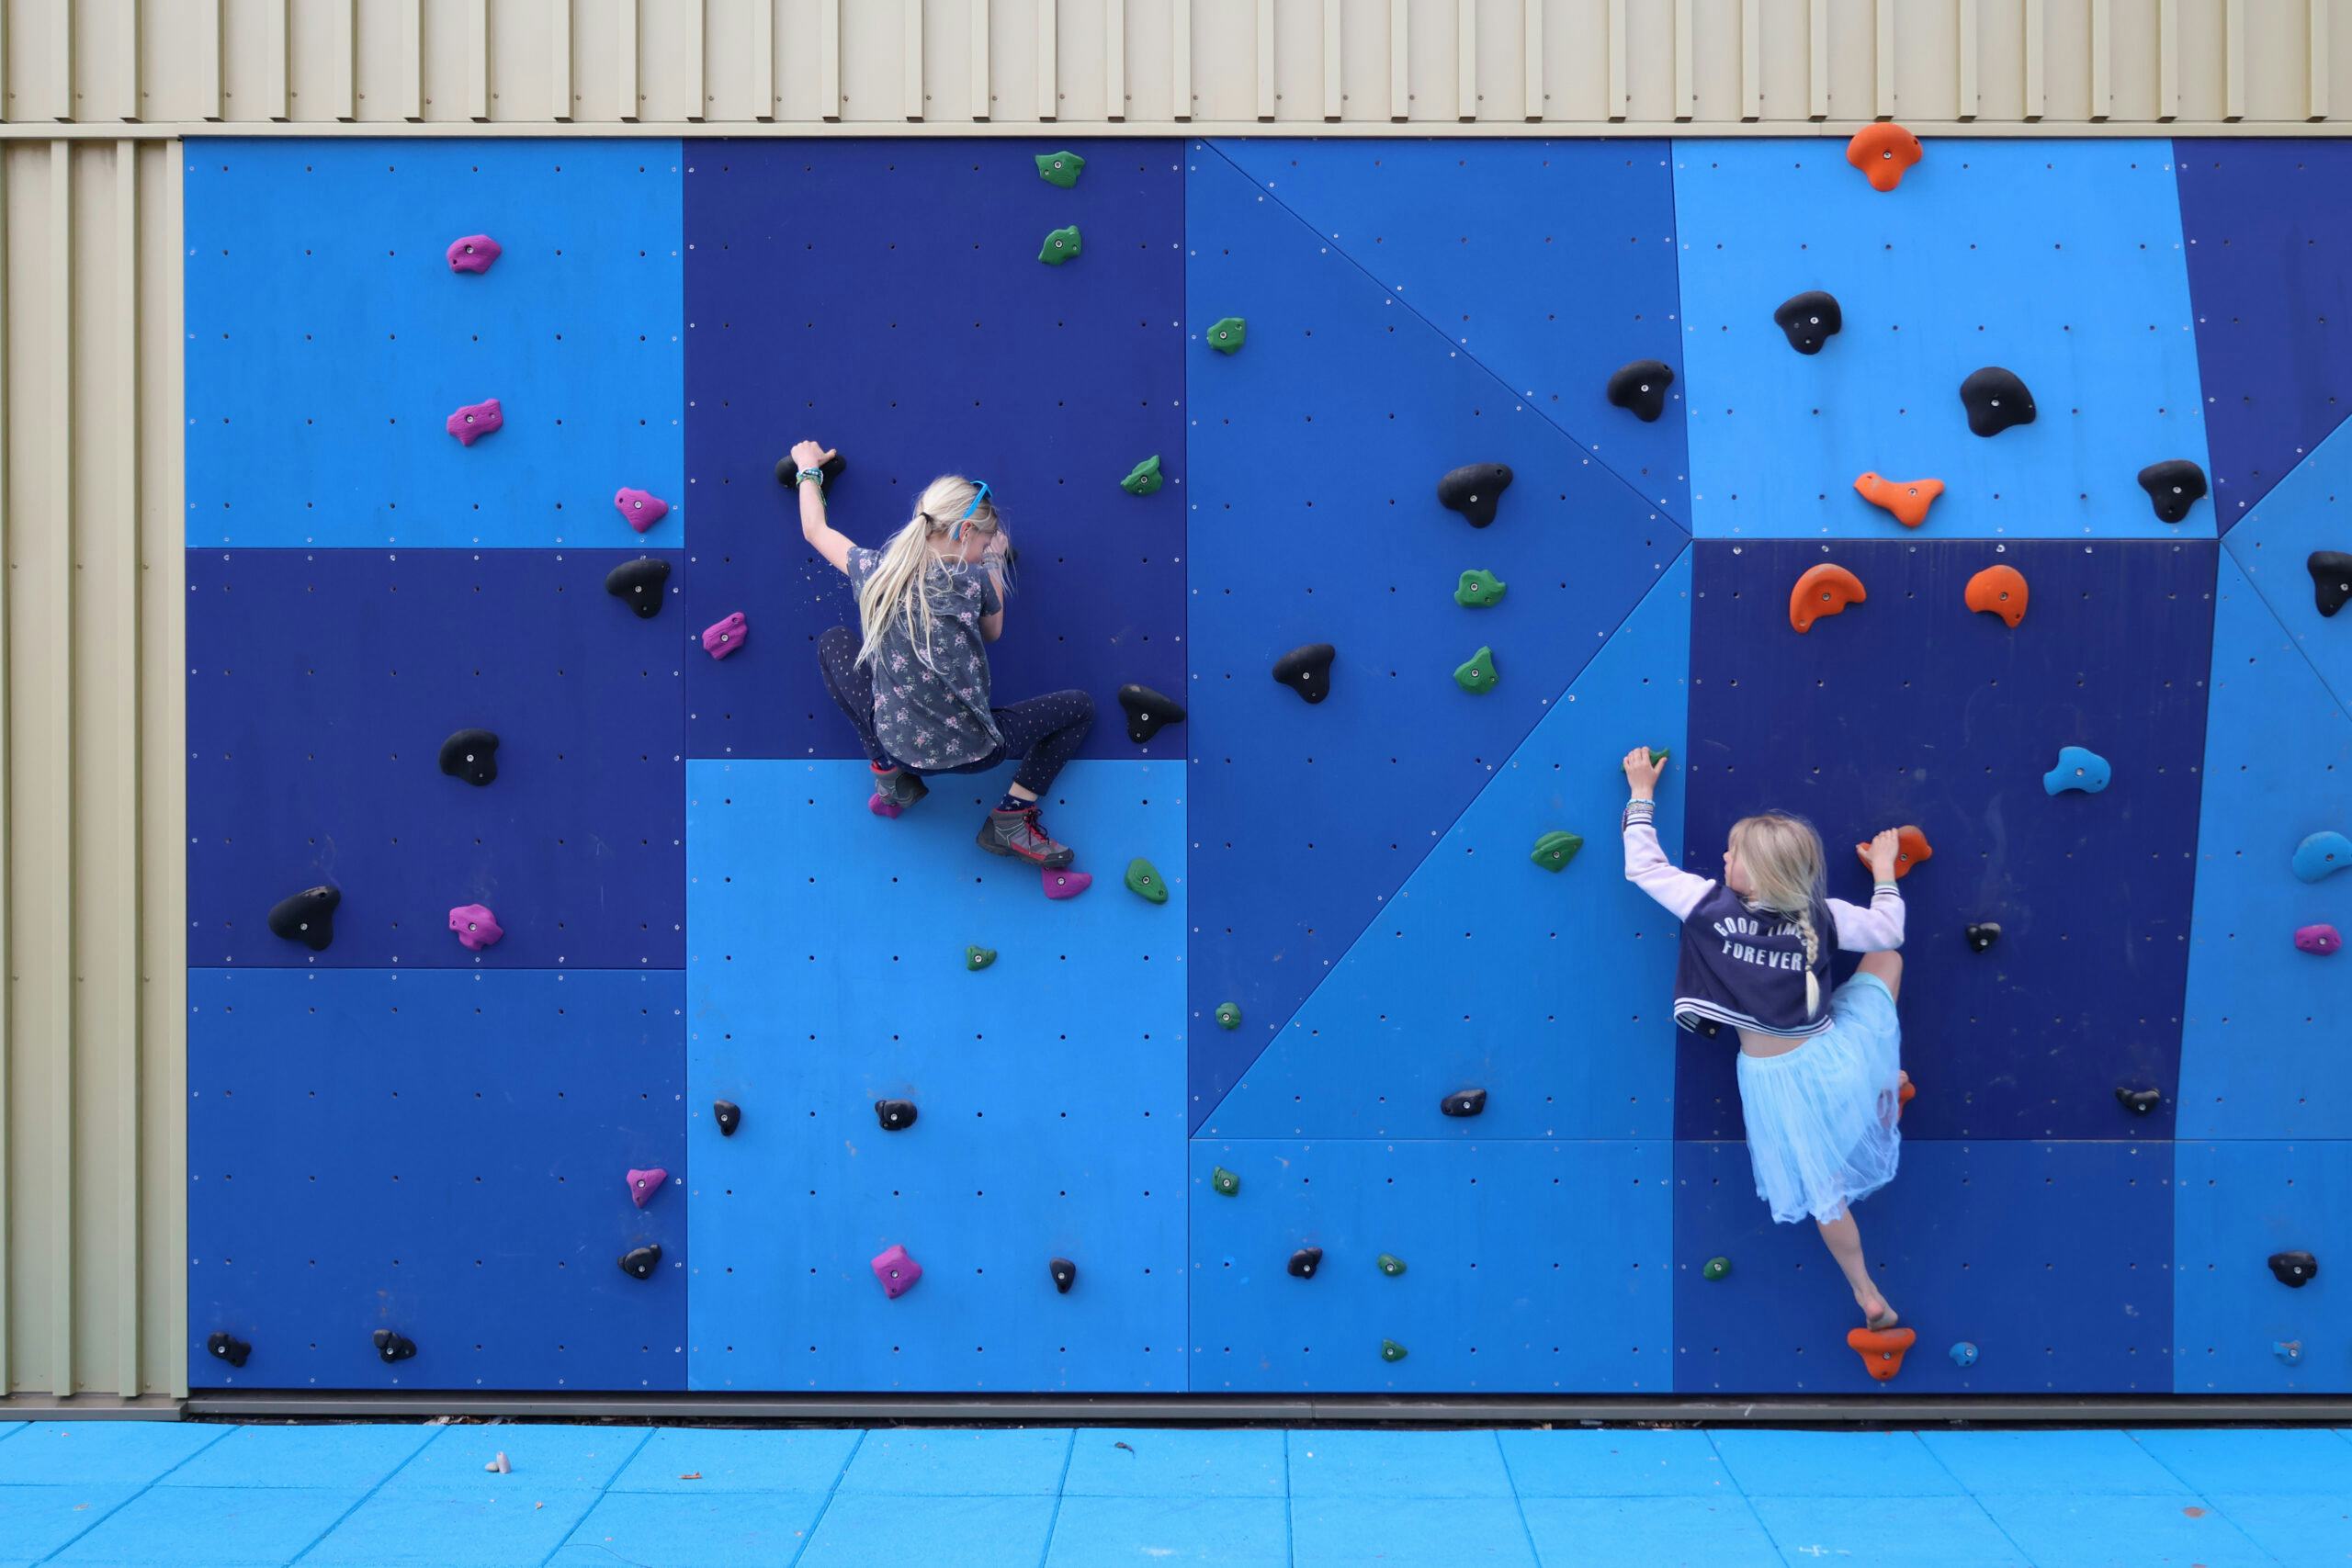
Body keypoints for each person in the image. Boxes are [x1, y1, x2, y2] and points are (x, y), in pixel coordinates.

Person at [1618, 746, 1912, 1329]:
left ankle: (1866, 1291)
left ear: (1758, 873)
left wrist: (1641, 794)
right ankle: (1878, 1077)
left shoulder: (1706, 905)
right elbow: (1889, 932)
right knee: (1886, 963)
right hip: (1831, 1060)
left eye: (1734, 855)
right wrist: (1883, 873)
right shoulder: (1824, 914)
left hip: (1774, 1084)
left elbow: (1644, 868)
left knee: (1827, 1195)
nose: (1724, 857)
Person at [791, 438, 1094, 868]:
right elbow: (994, 631)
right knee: (1079, 708)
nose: (982, 552)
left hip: (900, 747)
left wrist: (807, 468)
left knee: (833, 642)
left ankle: (889, 775)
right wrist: (994, 563)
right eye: (983, 544)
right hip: (979, 753)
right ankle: (1012, 816)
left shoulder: (875, 570)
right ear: (965, 532)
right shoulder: (973, 580)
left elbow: (815, 530)